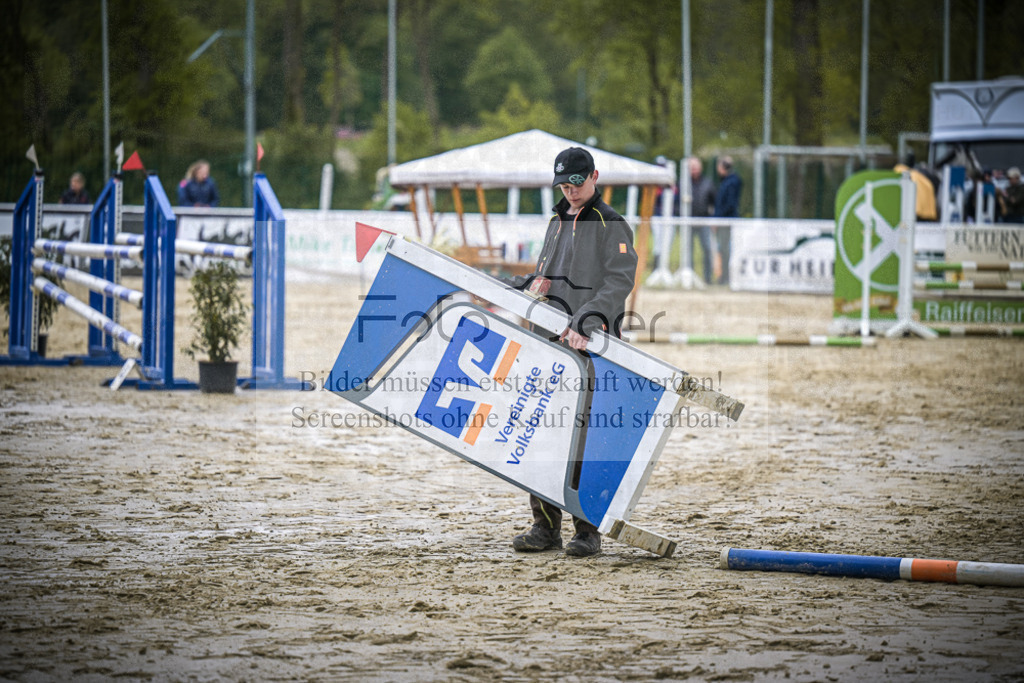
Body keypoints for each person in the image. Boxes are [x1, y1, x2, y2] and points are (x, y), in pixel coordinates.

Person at [509, 146, 638, 558]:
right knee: (542, 432)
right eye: (564, 185)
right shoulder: (555, 220)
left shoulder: (612, 224)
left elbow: (618, 283)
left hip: (589, 346)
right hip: (548, 342)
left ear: (594, 176)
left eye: (577, 183)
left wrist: (588, 319)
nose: (570, 191)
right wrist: (533, 281)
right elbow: (551, 272)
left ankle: (588, 531)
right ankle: (544, 526)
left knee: (583, 439)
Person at [687, 157, 717, 283]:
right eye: (692, 168)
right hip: (688, 222)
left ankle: (707, 278)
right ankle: (690, 277)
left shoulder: (707, 183)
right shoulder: (684, 183)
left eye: (696, 167)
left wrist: (713, 221)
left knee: (707, 249)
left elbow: (714, 203)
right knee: (688, 250)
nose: (695, 170)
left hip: (704, 221)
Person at [712, 156, 742, 285]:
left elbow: (729, 204)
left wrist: (718, 219)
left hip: (726, 221)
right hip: (724, 220)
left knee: (726, 250)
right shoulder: (728, 181)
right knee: (723, 250)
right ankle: (724, 275)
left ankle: (726, 277)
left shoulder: (731, 182)